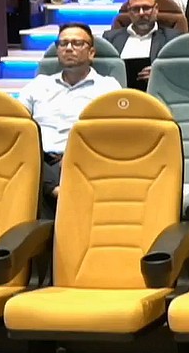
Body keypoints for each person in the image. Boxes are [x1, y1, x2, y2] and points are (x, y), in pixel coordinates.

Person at [17, 23, 123, 219]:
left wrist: (73, 155)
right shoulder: (39, 84)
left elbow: (117, 133)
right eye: (63, 43)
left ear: (91, 53)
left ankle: (53, 194)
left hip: (84, 160)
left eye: (77, 43)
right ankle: (56, 191)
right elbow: (16, 121)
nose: (68, 48)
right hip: (40, 160)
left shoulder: (108, 87)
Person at [102, 0, 181, 91]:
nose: (141, 13)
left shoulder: (173, 38)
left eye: (146, 8)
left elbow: (182, 71)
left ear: (156, 9)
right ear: (129, 11)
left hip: (157, 94)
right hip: (117, 93)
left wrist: (161, 75)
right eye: (135, 9)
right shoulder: (110, 38)